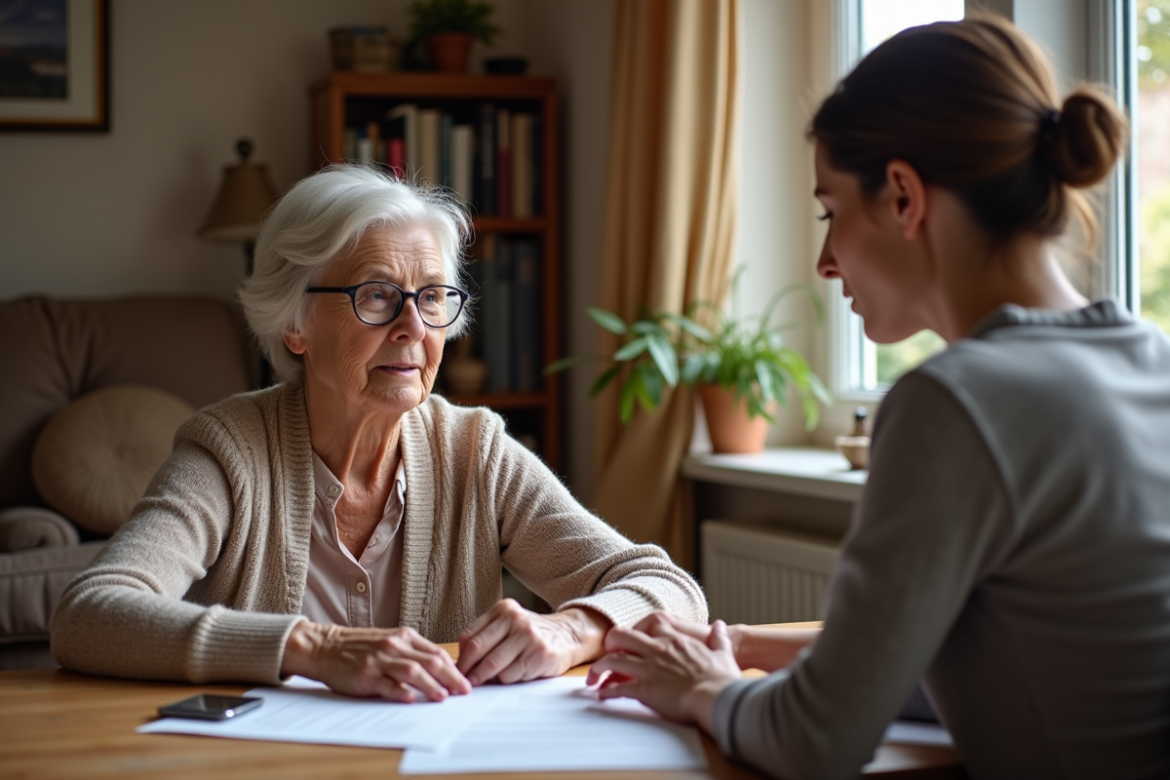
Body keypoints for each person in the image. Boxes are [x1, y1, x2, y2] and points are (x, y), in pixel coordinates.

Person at [588, 14, 1170, 780]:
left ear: (902, 196)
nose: (826, 262)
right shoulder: (1150, 357)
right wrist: (753, 648)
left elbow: (815, 742)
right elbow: (1030, 656)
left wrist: (701, 689)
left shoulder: (957, 402)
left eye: (832, 213)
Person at [51, 164, 706, 702]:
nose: (414, 329)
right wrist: (313, 647)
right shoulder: (229, 452)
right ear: (294, 324)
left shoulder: (474, 452)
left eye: (430, 297)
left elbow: (673, 591)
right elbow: (90, 615)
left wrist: (573, 628)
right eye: (375, 296)